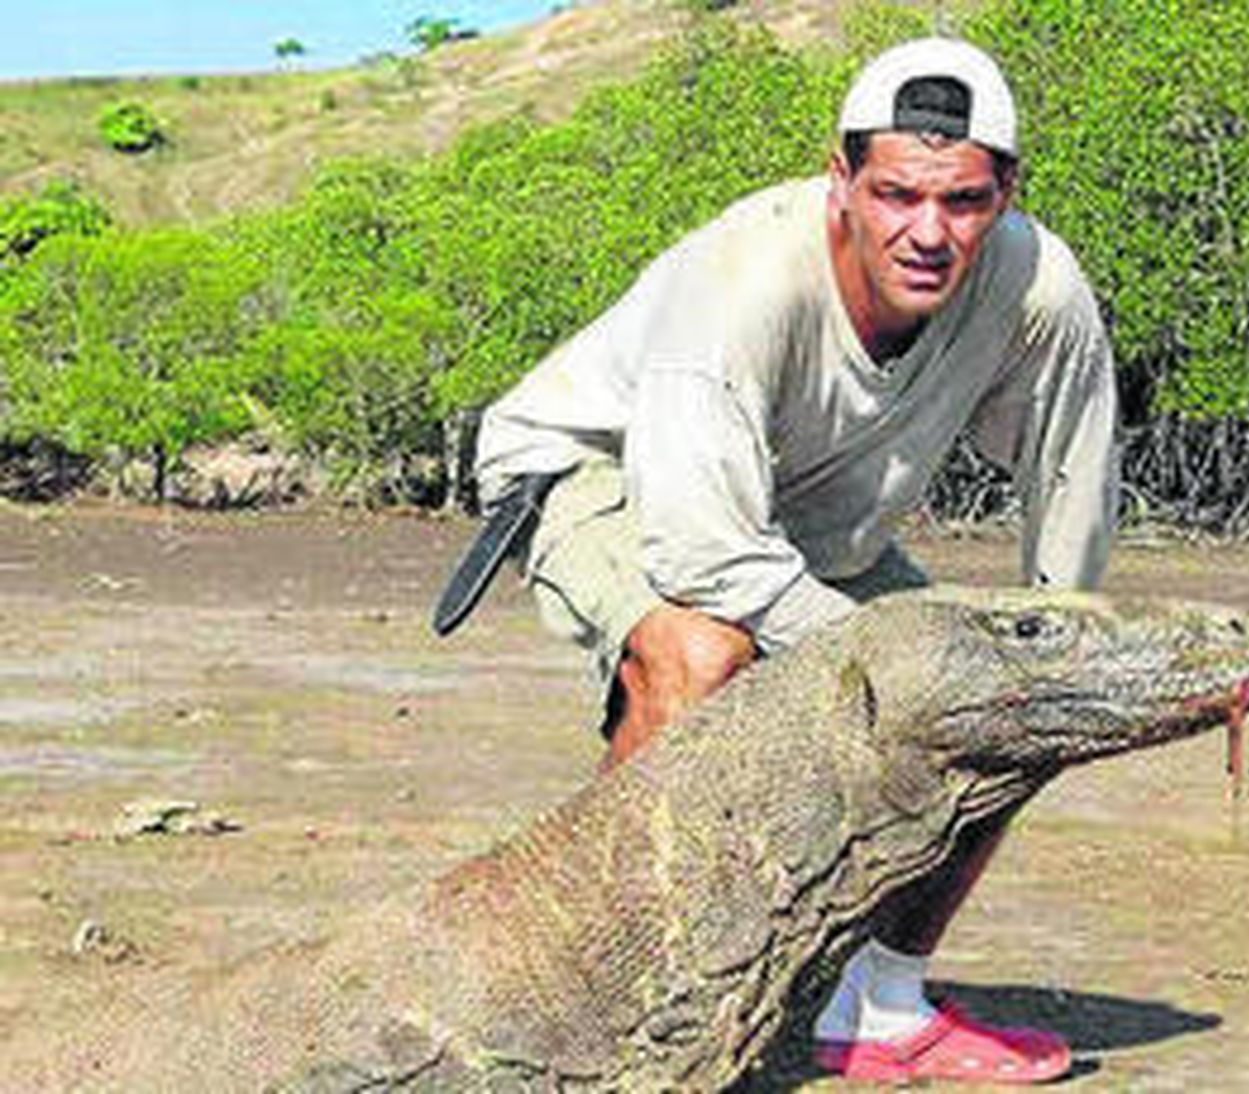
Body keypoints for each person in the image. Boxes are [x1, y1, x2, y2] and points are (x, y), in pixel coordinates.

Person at [473, 36, 1117, 1084]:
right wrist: (889, 660)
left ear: (1005, 193)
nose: (927, 232)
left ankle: (882, 1001)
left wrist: (1057, 655)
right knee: (696, 654)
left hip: (797, 518)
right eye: (896, 194)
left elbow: (1072, 500)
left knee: (1012, 699)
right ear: (841, 180)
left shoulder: (1040, 285)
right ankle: (601, 1005)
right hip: (596, 468)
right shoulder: (745, 278)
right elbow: (702, 551)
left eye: (960, 201)